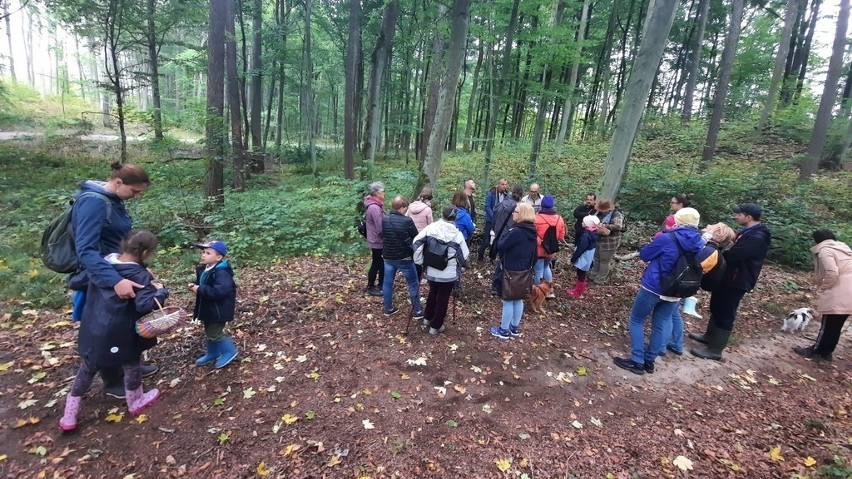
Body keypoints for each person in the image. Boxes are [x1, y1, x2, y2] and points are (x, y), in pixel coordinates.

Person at [61, 230, 169, 431]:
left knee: (87, 369)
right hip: (122, 333)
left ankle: (69, 415)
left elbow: (76, 281)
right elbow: (145, 305)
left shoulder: (101, 266)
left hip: (92, 330)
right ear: (145, 253)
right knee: (131, 364)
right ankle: (135, 401)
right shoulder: (139, 275)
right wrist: (161, 291)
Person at [69, 162, 156, 399]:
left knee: (124, 322)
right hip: (102, 278)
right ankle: (112, 380)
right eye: (134, 192)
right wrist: (114, 281)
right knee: (106, 326)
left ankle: (127, 364)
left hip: (120, 270)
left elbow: (120, 242)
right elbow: (86, 250)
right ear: (118, 183)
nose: (136, 197)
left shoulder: (113, 200)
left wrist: (138, 268)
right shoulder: (93, 203)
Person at [613, 208, 704, 375]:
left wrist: (646, 246)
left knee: (636, 319)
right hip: (677, 289)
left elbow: (645, 255)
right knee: (660, 324)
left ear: (679, 221)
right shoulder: (700, 242)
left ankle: (637, 360)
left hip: (655, 286)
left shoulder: (668, 238)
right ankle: (650, 362)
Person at [690, 203, 771, 360]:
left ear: (748, 217)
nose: (736, 216)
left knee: (726, 312)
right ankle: (709, 336)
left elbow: (733, 255)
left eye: (739, 214)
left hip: (737, 280)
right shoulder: (747, 233)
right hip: (728, 277)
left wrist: (717, 251)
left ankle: (715, 350)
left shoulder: (757, 237)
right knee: (717, 306)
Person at [662, 222, 736, 356]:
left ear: (717, 233)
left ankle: (661, 346)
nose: (708, 224)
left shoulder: (710, 251)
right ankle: (676, 344)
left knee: (666, 314)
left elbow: (691, 265)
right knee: (673, 313)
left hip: (680, 283)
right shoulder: (709, 248)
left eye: (713, 225)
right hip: (682, 283)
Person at [793, 230, 851, 362]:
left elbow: (832, 272)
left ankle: (817, 351)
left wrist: (823, 287)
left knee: (828, 324)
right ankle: (827, 352)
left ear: (817, 240)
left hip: (839, 290)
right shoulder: (844, 248)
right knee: (836, 325)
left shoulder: (825, 250)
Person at [413, 205, 470, 335]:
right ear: (455, 218)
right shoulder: (457, 234)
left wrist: (421, 261)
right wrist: (457, 265)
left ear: (442, 214)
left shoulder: (430, 228)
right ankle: (435, 326)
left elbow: (416, 244)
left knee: (433, 292)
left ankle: (427, 319)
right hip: (448, 274)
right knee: (443, 298)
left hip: (431, 270)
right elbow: (464, 255)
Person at [490, 204, 538, 339]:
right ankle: (514, 328)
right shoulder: (532, 231)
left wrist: (504, 236)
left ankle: (504, 330)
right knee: (519, 299)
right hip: (525, 271)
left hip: (511, 270)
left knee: (508, 300)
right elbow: (535, 255)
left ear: (522, 214)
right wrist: (529, 268)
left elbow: (501, 245)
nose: (513, 214)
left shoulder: (516, 232)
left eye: (515, 211)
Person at [189, 241, 238, 369]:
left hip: (219, 309)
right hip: (207, 309)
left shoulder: (222, 272)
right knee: (209, 331)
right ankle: (213, 353)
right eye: (203, 252)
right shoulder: (204, 269)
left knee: (214, 333)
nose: (203, 255)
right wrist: (195, 286)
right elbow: (204, 283)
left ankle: (229, 351)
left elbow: (219, 291)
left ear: (218, 257)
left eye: (208, 253)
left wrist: (199, 289)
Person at [381, 196, 423, 319]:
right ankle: (417, 311)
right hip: (404, 258)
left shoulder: (384, 220)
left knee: (387, 283)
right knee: (413, 284)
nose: (406, 210)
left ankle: (388, 308)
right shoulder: (407, 221)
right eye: (406, 207)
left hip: (388, 257)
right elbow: (416, 238)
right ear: (401, 208)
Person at [533, 195, 565, 294]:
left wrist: (540, 241)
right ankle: (549, 292)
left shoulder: (536, 218)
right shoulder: (559, 219)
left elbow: (532, 234)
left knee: (538, 271)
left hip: (538, 249)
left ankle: (537, 293)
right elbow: (561, 237)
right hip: (551, 249)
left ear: (542, 205)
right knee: (546, 267)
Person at [588, 199, 624, 285]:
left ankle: (600, 278)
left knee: (605, 261)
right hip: (599, 239)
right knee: (596, 258)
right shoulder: (599, 213)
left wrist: (604, 225)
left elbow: (618, 226)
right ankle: (593, 274)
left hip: (609, 242)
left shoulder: (616, 214)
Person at [567, 215, 599, 297]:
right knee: (582, 274)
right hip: (588, 258)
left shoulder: (585, 236)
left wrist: (573, 259)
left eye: (583, 222)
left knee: (580, 274)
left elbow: (580, 249)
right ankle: (578, 289)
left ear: (588, 224)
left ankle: (578, 292)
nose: (582, 223)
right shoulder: (594, 233)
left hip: (583, 258)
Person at [363, 182, 386, 297]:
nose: (384, 193)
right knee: (378, 264)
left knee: (377, 263)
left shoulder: (375, 204)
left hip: (376, 239)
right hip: (378, 241)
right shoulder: (374, 207)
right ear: (377, 193)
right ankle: (374, 286)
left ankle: (375, 285)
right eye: (383, 191)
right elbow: (380, 227)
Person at [477, 178, 507, 261]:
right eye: (502, 184)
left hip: (500, 221)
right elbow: (487, 207)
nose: (504, 186)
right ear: (498, 184)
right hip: (490, 220)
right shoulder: (492, 193)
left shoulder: (506, 195)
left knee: (496, 240)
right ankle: (480, 255)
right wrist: (493, 216)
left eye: (505, 184)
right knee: (486, 239)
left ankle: (492, 258)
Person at [491, 185, 524, 258]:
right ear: (521, 195)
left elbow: (494, 216)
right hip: (509, 236)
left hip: (499, 233)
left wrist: (494, 228)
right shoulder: (518, 208)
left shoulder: (501, 204)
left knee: (502, 256)